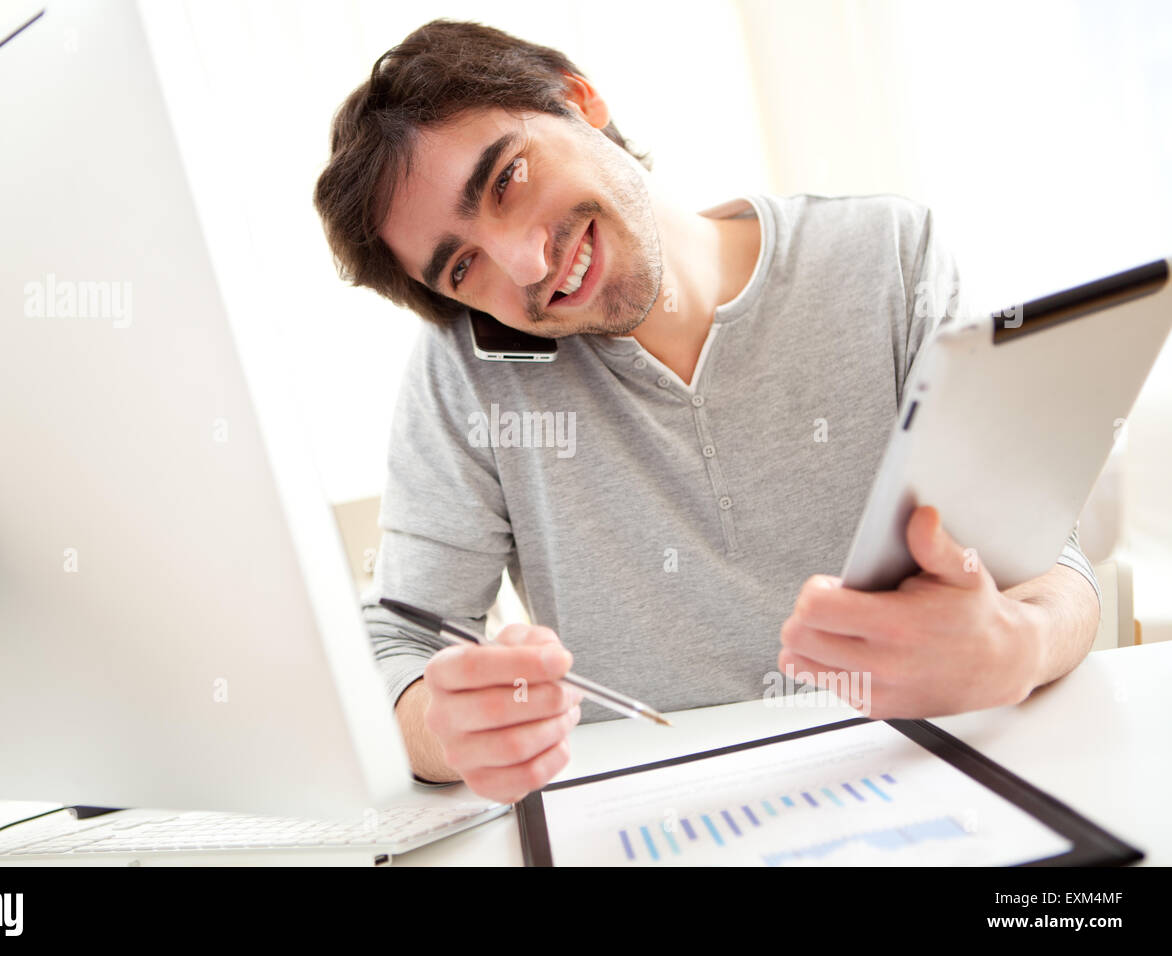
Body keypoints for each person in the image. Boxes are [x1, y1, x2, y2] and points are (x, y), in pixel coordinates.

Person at [313, 20, 1100, 805]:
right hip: (664, 818)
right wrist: (442, 729)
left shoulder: (887, 258)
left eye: (508, 178)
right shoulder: (472, 374)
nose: (526, 264)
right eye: (463, 265)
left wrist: (1017, 647)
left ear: (578, 98)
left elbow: (1047, 570)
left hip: (919, 782)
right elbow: (400, 645)